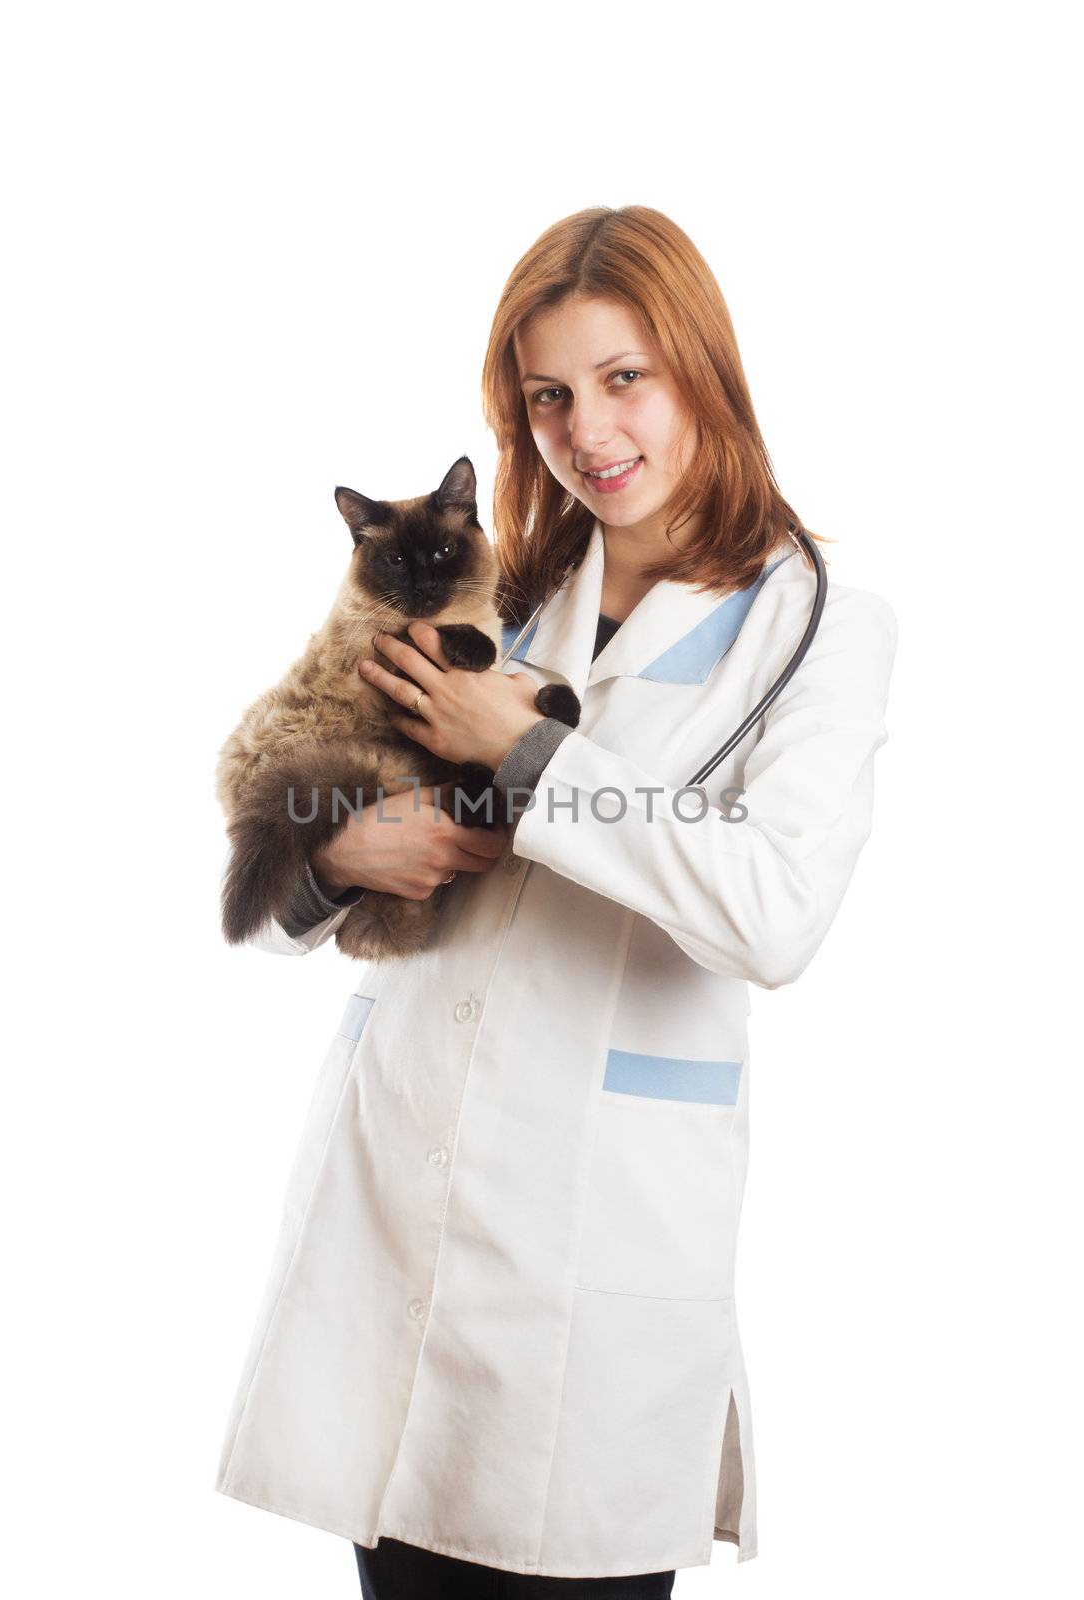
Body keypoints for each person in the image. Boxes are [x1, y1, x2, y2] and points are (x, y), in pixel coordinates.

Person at [213, 206, 898, 1598]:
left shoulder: (818, 626)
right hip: (398, 1194)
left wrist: (522, 756)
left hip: (591, 1245)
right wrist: (347, 855)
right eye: (547, 397)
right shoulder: (490, 599)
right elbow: (281, 870)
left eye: (623, 377)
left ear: (701, 366)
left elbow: (774, 915)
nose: (588, 431)